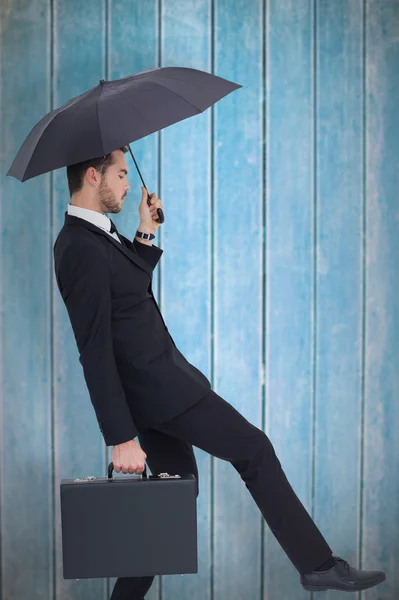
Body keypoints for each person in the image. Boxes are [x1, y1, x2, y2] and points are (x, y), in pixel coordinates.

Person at [53, 146, 386, 599]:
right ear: (94, 177)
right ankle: (318, 565)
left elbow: (126, 294)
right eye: (121, 174)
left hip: (157, 388)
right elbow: (93, 348)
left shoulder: (96, 233)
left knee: (171, 501)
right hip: (158, 391)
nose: (129, 185)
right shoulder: (77, 246)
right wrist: (120, 436)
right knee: (254, 450)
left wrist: (145, 234)